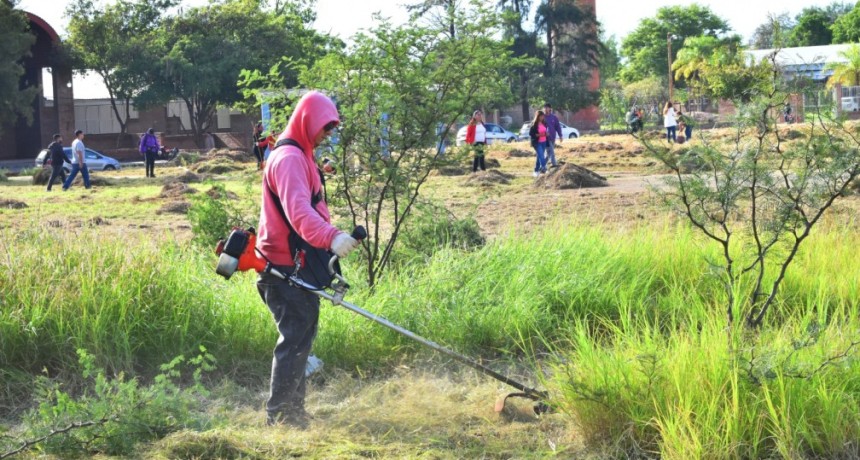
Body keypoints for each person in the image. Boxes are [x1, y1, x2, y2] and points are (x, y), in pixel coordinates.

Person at [256, 91, 360, 428]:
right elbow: (299, 212)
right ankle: (280, 417)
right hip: (283, 267)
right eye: (325, 127)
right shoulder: (288, 159)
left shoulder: (302, 154)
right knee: (294, 340)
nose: (327, 134)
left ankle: (293, 412)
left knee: (301, 340)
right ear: (308, 121)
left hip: (297, 264)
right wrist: (331, 237)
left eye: (331, 129)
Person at [528, 110, 548, 177]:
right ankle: (544, 168)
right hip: (537, 142)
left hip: (544, 142)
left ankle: (536, 170)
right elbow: (531, 134)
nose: (542, 117)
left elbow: (545, 131)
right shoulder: (534, 124)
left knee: (539, 156)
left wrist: (546, 134)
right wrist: (542, 135)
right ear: (538, 116)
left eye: (543, 116)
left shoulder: (544, 123)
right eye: (541, 116)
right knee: (541, 155)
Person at [542, 103, 562, 167]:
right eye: (544, 107)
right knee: (551, 151)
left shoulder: (554, 117)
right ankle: (554, 164)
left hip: (553, 137)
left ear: (550, 109)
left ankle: (542, 165)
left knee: (549, 153)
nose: (545, 109)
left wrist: (560, 135)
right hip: (545, 138)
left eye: (547, 107)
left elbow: (558, 127)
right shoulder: (542, 117)